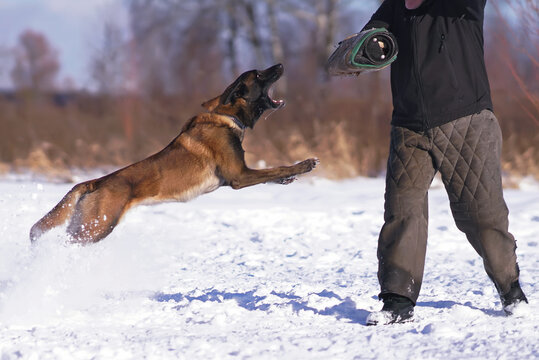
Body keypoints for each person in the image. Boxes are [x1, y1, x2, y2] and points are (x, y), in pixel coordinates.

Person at [361, 0, 529, 325]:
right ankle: (397, 300)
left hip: (465, 120)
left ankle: (511, 290)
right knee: (402, 211)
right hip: (408, 125)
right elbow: (372, 34)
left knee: (481, 215)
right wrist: (365, 47)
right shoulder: (395, 6)